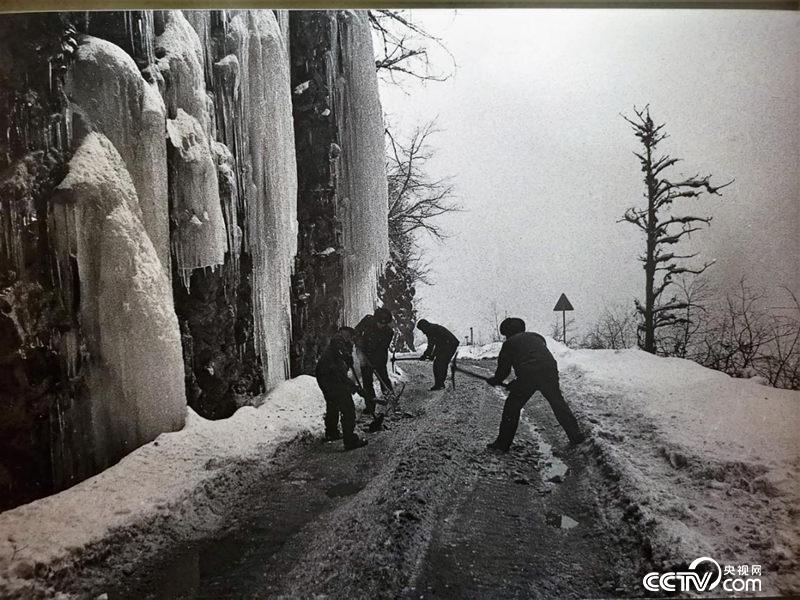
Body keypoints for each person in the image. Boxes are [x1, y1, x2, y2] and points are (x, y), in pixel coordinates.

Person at [486, 317, 585, 450]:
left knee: (512, 407)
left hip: (528, 373)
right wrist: (516, 383)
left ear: (508, 333)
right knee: (557, 402)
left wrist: (496, 380)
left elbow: (504, 370)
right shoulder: (537, 338)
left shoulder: (509, 343)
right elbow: (537, 358)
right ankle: (575, 435)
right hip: (549, 370)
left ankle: (502, 444)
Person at [314, 327, 368, 450]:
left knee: (332, 403)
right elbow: (340, 375)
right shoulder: (339, 342)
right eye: (350, 337)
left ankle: (331, 432)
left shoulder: (340, 345)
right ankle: (350, 440)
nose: (352, 341)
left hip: (324, 377)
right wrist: (354, 388)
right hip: (332, 377)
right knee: (347, 407)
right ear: (345, 333)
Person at [354, 307, 395, 416]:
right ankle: (370, 406)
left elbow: (382, 349)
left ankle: (391, 401)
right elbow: (356, 332)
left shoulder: (389, 332)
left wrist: (374, 362)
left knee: (384, 379)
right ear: (375, 319)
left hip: (379, 358)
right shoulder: (367, 320)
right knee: (367, 382)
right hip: (364, 354)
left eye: (384, 324)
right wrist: (358, 342)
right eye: (380, 323)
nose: (381, 325)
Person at [417, 319, 459, 391]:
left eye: (422, 330)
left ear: (424, 327)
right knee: (439, 363)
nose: (423, 332)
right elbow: (437, 344)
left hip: (450, 344)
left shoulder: (431, 330)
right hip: (446, 344)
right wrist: (431, 355)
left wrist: (425, 355)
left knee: (440, 364)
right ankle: (440, 384)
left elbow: (431, 345)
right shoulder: (431, 328)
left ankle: (439, 385)